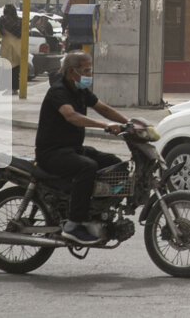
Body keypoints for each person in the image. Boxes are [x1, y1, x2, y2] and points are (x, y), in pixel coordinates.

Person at [36, 51, 131, 246]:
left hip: (72, 149)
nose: (90, 74)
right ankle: (73, 224)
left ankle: (94, 211)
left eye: (90, 70)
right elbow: (72, 116)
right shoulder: (58, 90)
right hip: (52, 152)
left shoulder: (80, 90)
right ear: (72, 72)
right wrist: (104, 126)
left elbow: (102, 108)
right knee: (87, 167)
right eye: (86, 70)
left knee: (114, 163)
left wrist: (130, 123)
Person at [0, 4, 22, 91]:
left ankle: (5, 88)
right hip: (18, 48)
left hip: (6, 49)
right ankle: (14, 88)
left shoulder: (1, 21)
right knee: (15, 70)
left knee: (5, 70)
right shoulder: (20, 21)